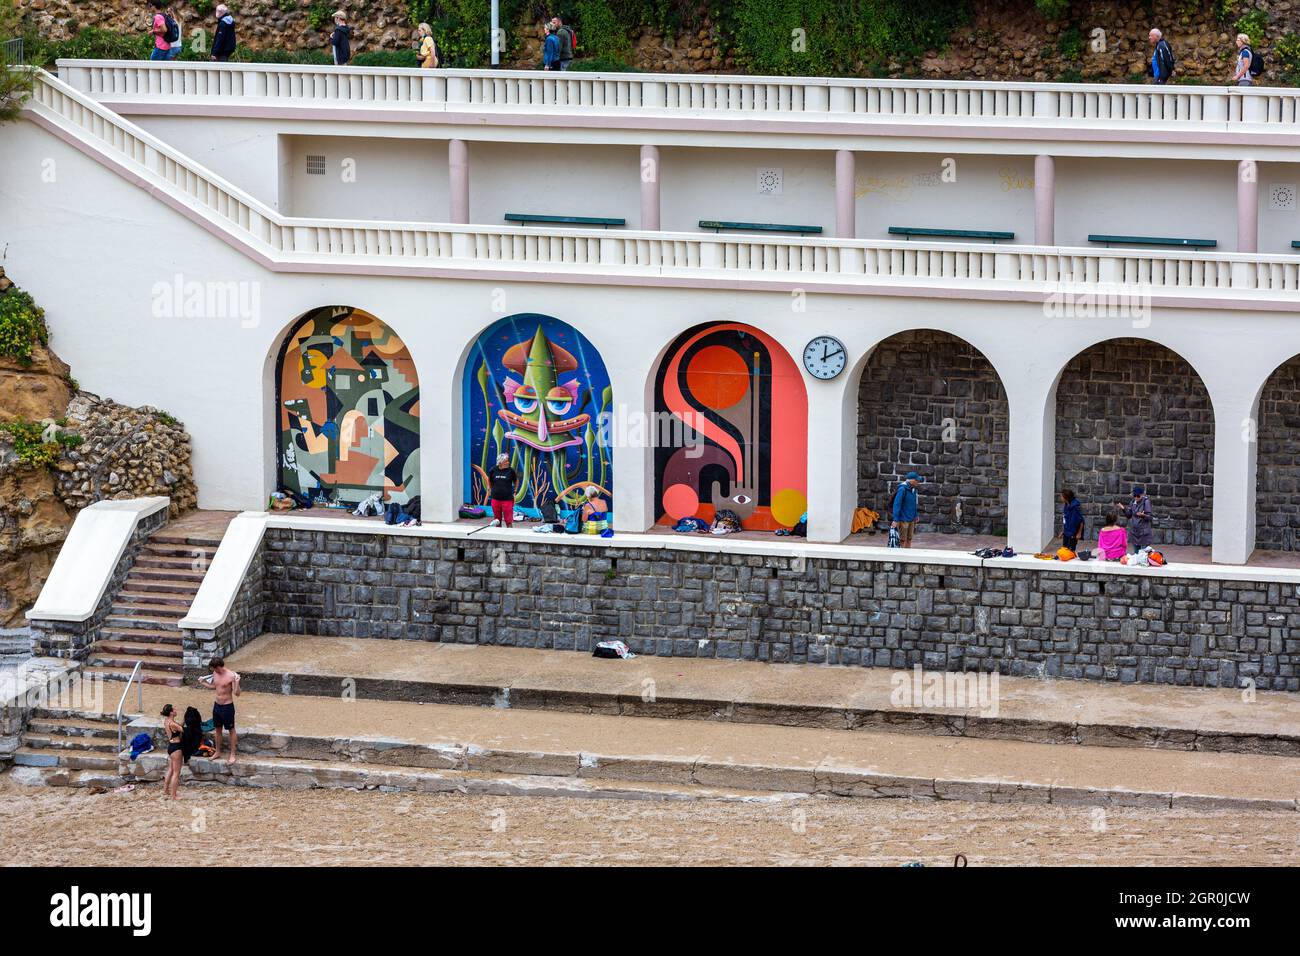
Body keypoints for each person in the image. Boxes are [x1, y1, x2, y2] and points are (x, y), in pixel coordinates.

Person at [198, 656, 240, 765]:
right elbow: (215, 686)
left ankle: (232, 754)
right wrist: (203, 683)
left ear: (219, 667)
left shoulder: (231, 675)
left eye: (215, 669)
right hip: (217, 706)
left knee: (231, 730)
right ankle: (217, 752)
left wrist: (237, 682)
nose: (213, 671)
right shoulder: (215, 673)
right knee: (217, 730)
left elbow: (237, 693)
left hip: (227, 707)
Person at [1118, 485, 1154, 552]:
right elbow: (1129, 515)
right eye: (1135, 496)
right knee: (1136, 553)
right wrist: (1123, 509)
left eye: (1138, 496)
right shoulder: (1132, 502)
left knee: (1143, 554)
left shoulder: (1146, 502)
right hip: (1135, 532)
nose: (1136, 498)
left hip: (1143, 533)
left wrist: (1143, 515)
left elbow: (1150, 517)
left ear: (1142, 495)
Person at [890, 471, 921, 549]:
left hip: (911, 519)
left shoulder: (913, 490)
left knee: (909, 538)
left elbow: (914, 503)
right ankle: (901, 557)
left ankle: (908, 556)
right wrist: (895, 519)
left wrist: (916, 515)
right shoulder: (902, 489)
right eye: (917, 480)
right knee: (902, 540)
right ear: (911, 481)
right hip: (903, 519)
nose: (918, 482)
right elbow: (897, 504)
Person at [160, 703, 184, 799]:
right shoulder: (173, 724)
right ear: (171, 712)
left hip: (171, 746)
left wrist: (184, 720)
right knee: (176, 773)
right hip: (176, 748)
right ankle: (174, 795)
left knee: (171, 769)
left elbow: (178, 726)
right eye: (174, 709)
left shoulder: (167, 721)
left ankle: (165, 790)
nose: (176, 710)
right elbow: (182, 729)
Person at [487, 453, 518, 528]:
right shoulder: (493, 470)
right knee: (497, 521)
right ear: (500, 463)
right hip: (495, 499)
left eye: (508, 461)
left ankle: (510, 538)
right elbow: (489, 480)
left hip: (507, 500)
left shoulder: (511, 471)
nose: (508, 462)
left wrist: (515, 491)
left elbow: (516, 481)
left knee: (508, 521)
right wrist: (489, 488)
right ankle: (498, 537)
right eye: (506, 461)